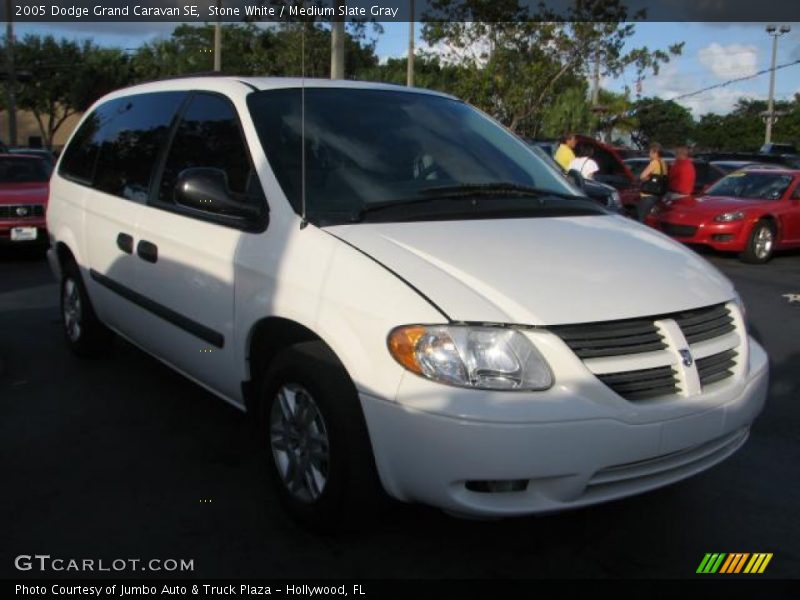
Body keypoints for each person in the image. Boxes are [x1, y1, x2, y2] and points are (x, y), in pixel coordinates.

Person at [638, 142, 668, 222]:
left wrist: (647, 178)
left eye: (650, 152)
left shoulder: (654, 162)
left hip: (648, 194)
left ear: (655, 153)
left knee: (641, 218)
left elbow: (642, 176)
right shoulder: (663, 162)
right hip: (658, 194)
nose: (649, 155)